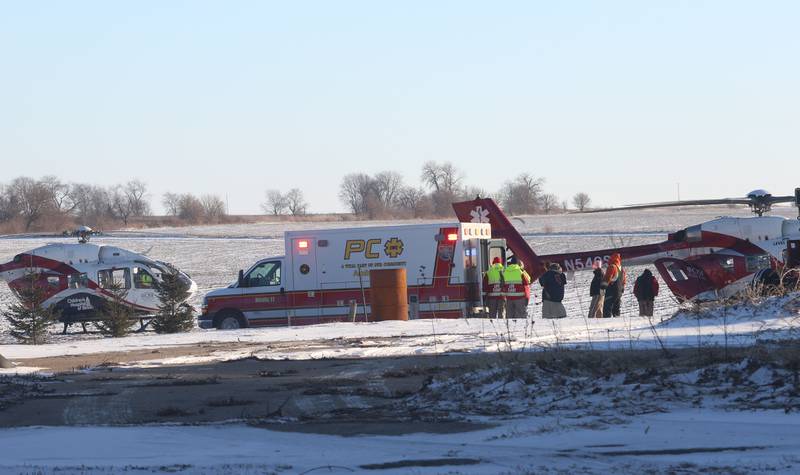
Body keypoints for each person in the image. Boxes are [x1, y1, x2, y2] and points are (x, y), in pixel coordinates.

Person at [602, 253, 626, 318]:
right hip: (619, 293)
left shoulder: (612, 267)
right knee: (616, 310)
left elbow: (607, 278)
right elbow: (624, 281)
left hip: (611, 292)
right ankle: (617, 322)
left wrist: (602, 288)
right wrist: (622, 289)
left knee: (607, 309)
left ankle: (606, 322)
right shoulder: (622, 269)